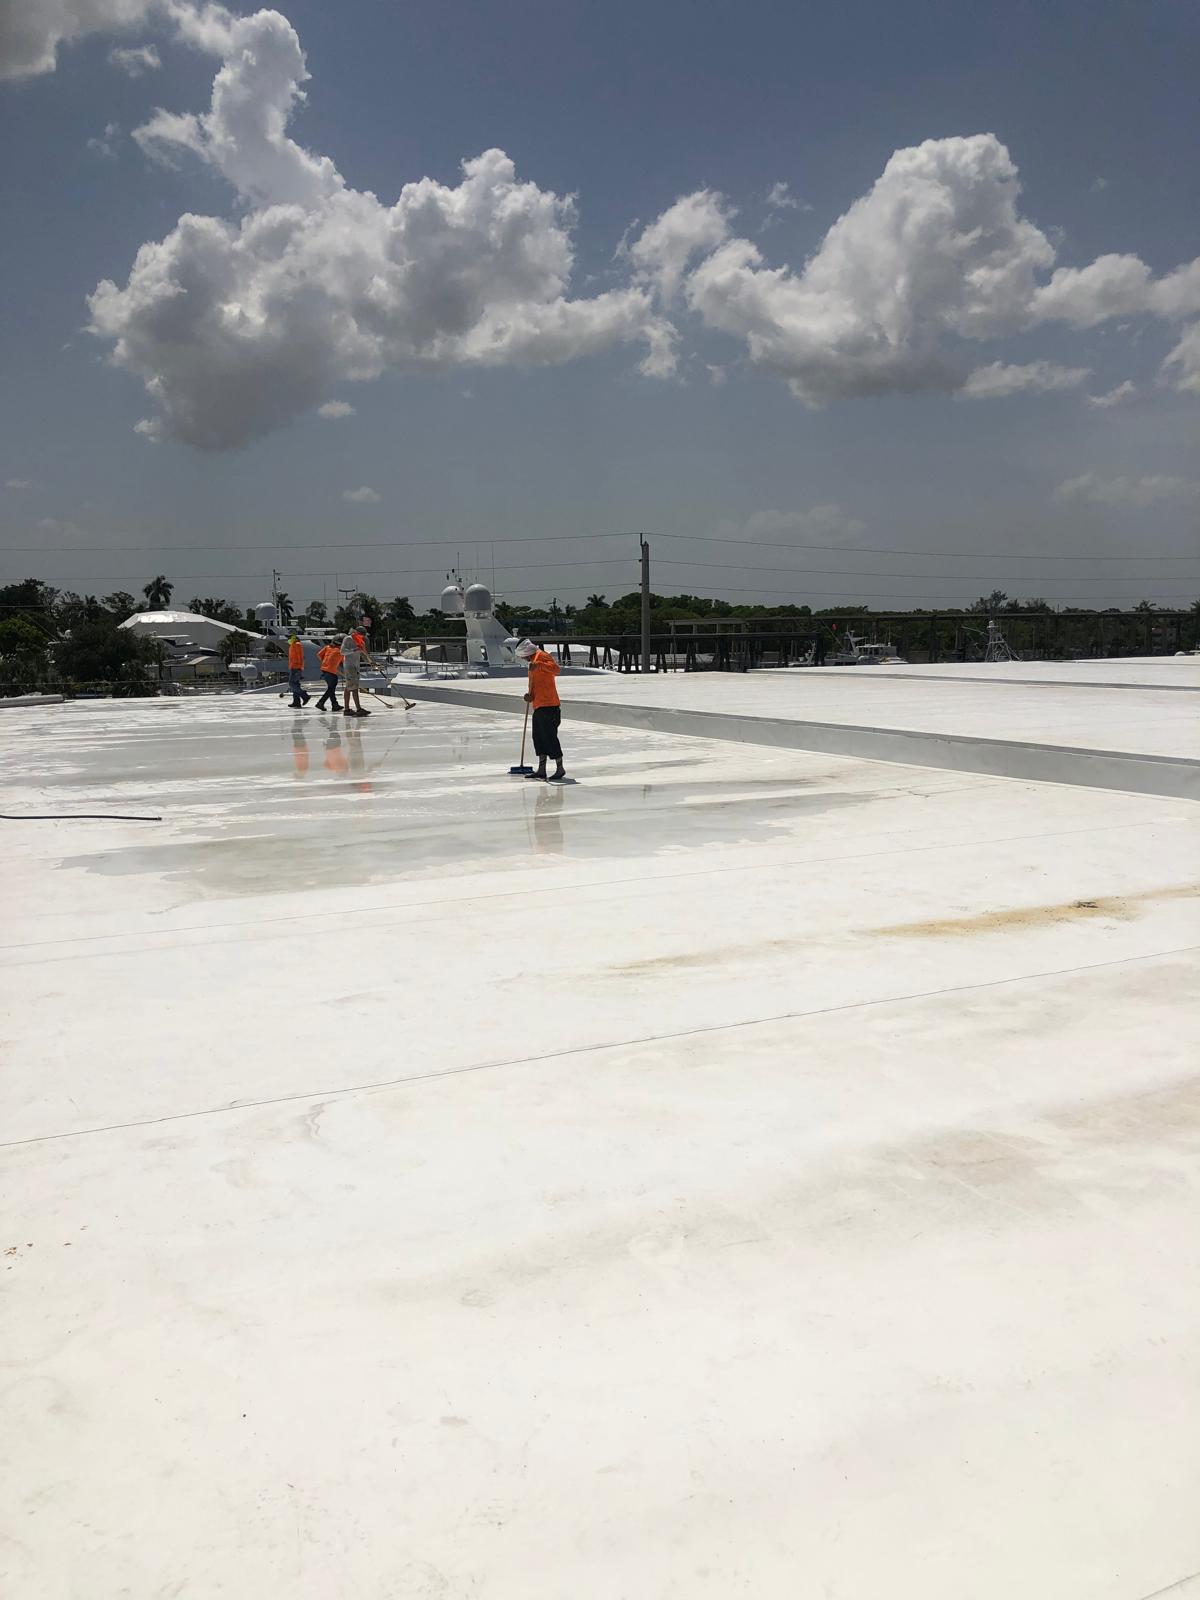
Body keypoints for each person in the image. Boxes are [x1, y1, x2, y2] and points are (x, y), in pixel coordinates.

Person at [515, 637, 566, 781]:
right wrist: (530, 696)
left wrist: (539, 665)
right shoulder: (533, 662)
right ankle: (541, 769)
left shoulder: (542, 656)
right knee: (538, 737)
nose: (524, 660)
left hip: (549, 705)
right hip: (538, 704)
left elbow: (556, 669)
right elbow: (536, 683)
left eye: (524, 657)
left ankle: (560, 768)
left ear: (527, 652)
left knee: (550, 737)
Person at [340, 625, 388, 718]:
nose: (362, 637)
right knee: (354, 687)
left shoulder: (360, 641)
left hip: (356, 666)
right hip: (349, 666)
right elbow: (342, 651)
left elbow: (365, 655)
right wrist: (354, 650)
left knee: (349, 687)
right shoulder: (348, 639)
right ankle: (358, 709)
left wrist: (372, 663)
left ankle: (347, 709)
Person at [315, 639, 342, 712]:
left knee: (331, 688)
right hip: (331, 671)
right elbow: (345, 662)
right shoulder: (340, 651)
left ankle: (335, 705)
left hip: (324, 669)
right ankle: (321, 702)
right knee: (331, 688)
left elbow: (318, 655)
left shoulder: (327, 647)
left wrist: (324, 662)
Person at [286, 634, 310, 707]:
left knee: (292, 683)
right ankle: (296, 702)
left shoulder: (297, 644)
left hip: (296, 667)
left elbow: (300, 656)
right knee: (295, 684)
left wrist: (299, 666)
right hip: (293, 666)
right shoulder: (293, 645)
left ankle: (305, 696)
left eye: (289, 638)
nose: (288, 639)